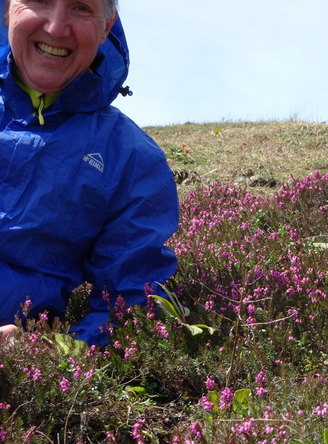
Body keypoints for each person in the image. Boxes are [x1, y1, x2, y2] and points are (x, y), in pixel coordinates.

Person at [0, 0, 179, 346]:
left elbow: (131, 299)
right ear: (7, 8)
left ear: (106, 27)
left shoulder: (131, 159)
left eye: (81, 7)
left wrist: (52, 351)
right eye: (39, 0)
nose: (55, 27)